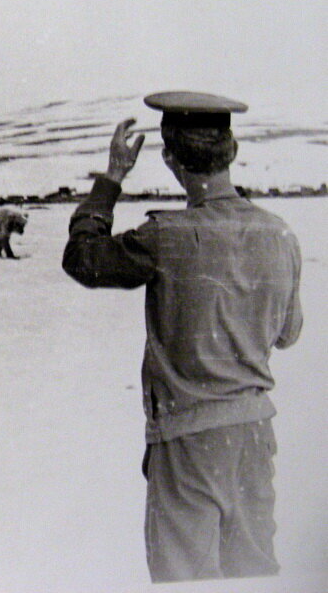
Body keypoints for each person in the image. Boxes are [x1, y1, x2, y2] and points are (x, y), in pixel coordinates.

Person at [62, 92, 303, 582]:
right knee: (253, 575)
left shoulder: (166, 236)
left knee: (185, 579)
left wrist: (111, 179)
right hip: (255, 435)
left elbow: (83, 259)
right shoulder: (280, 234)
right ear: (231, 152)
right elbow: (287, 334)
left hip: (190, 439)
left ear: (170, 159)